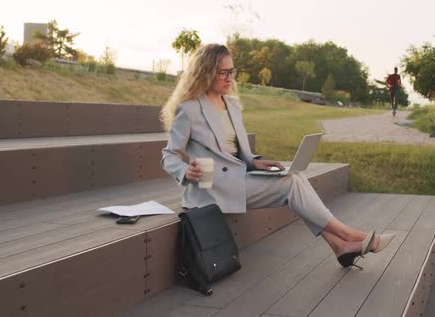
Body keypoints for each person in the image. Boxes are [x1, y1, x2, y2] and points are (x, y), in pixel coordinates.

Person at [160, 44, 395, 269]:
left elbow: (236, 153)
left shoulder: (231, 104)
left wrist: (254, 161)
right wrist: (185, 171)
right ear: (206, 72)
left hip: (236, 179)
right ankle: (350, 234)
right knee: (291, 183)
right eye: (223, 72)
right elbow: (169, 155)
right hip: (209, 188)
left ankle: (339, 246)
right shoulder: (189, 109)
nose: (230, 78)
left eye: (232, 71)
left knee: (296, 177)